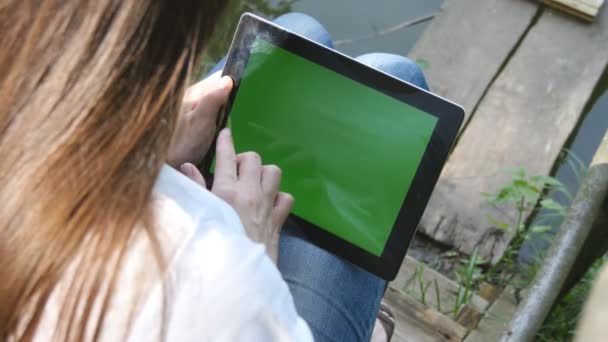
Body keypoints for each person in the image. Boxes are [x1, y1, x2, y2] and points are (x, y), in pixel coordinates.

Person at [0, 1, 428, 341]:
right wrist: (249, 246)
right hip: (234, 304)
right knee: (394, 74)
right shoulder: (217, 267)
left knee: (297, 34)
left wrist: (148, 149)